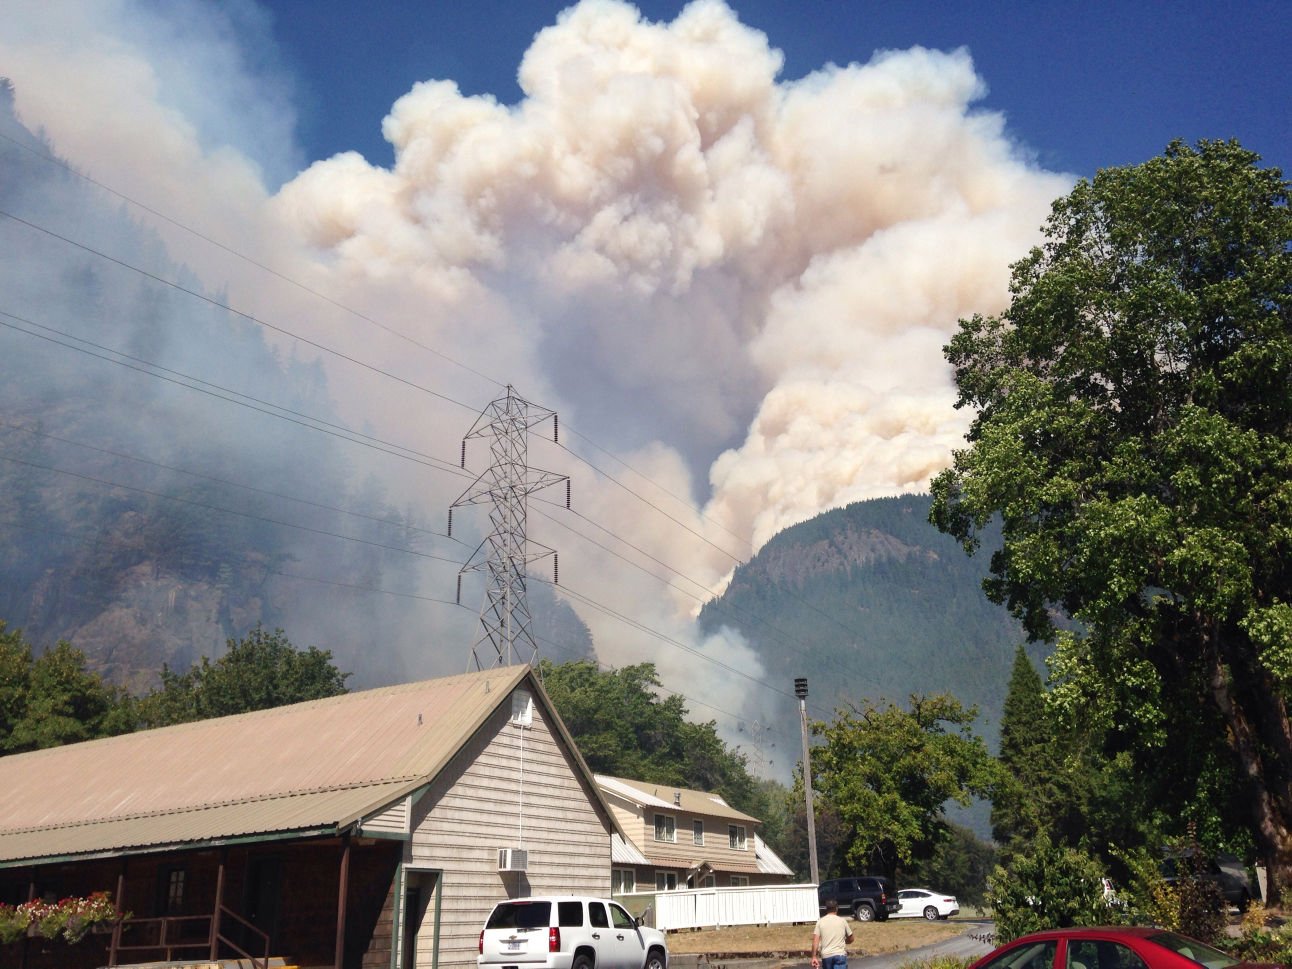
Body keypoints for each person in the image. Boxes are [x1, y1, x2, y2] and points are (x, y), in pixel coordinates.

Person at [811, 898, 854, 969]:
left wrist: (814, 957)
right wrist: (844, 941)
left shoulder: (820, 922)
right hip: (839, 954)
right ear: (837, 908)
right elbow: (851, 938)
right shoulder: (842, 921)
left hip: (826, 956)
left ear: (826, 909)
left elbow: (815, 941)